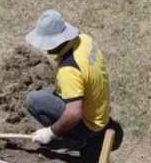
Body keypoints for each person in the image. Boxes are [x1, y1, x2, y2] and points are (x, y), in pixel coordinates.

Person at [23, 10, 111, 150]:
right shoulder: (85, 39)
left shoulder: (69, 71)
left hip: (89, 126)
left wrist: (50, 132)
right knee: (47, 92)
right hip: (100, 112)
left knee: (33, 100)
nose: (45, 48)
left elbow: (74, 113)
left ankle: (74, 138)